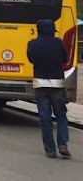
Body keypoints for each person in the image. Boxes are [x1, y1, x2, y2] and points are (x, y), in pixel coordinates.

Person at [27, 19, 71, 158]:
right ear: (52, 31)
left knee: (45, 118)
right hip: (57, 82)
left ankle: (50, 150)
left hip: (40, 83)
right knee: (61, 115)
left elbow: (31, 59)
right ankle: (62, 145)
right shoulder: (58, 42)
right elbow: (65, 58)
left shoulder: (32, 44)